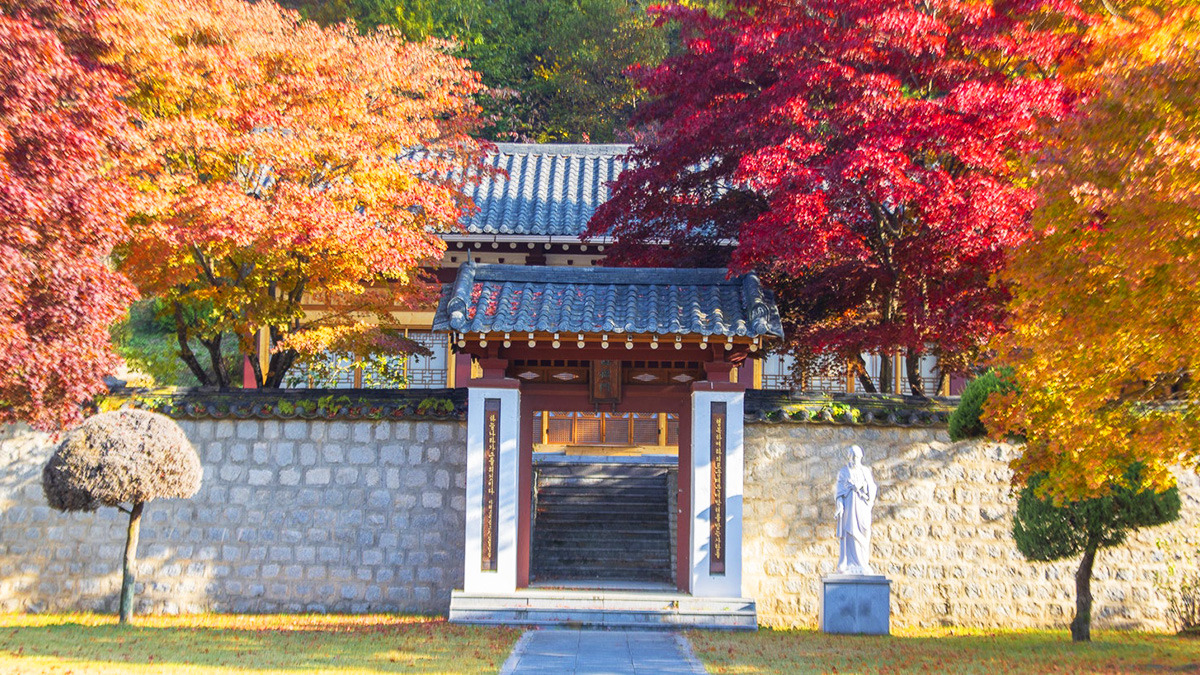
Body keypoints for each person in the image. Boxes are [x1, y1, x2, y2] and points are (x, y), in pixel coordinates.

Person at [834, 444, 877, 575]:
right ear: (849, 457)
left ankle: (863, 563)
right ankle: (848, 563)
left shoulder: (865, 471)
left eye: (856, 457)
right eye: (852, 457)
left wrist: (861, 486)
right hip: (849, 508)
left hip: (862, 507)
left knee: (864, 531)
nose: (854, 459)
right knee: (849, 534)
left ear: (860, 457)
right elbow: (839, 492)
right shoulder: (844, 472)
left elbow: (872, 488)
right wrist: (840, 506)